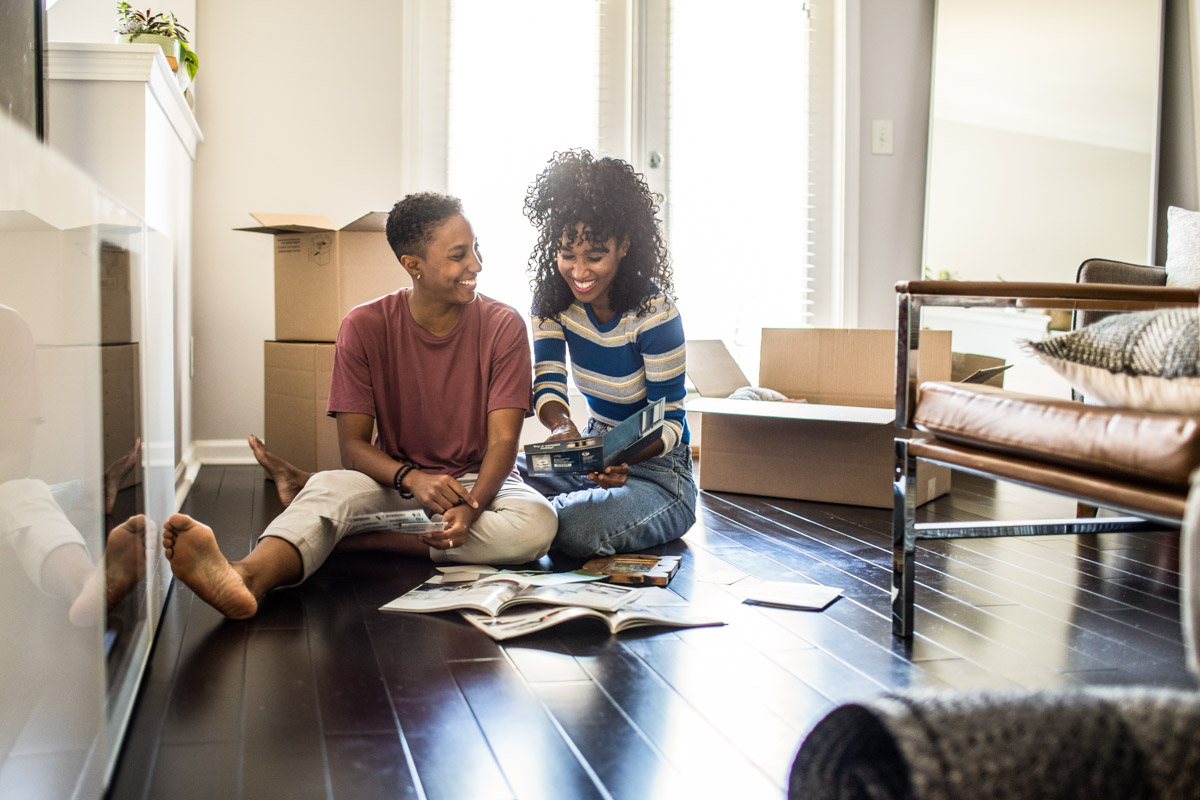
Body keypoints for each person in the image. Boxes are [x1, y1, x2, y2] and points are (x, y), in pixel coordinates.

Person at [163, 193, 558, 620]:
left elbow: (504, 440)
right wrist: (413, 479)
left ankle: (350, 538)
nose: (477, 265)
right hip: (399, 483)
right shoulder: (364, 326)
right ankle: (246, 577)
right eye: (459, 255)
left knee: (537, 524)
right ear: (413, 265)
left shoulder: (503, 325)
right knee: (331, 489)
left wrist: (472, 505)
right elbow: (353, 448)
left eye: (476, 249)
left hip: (480, 481)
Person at [517, 149, 697, 558]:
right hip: (590, 453)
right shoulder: (552, 302)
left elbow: (670, 419)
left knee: (574, 528)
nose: (579, 272)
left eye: (594, 257)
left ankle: (531, 521)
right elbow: (548, 383)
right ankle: (528, 518)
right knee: (491, 481)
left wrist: (623, 458)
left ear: (624, 246)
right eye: (567, 254)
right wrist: (563, 428)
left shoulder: (654, 314)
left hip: (658, 473)